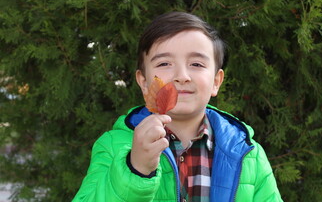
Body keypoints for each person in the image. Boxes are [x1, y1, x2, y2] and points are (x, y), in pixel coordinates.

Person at [72, 12, 283, 202]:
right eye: (164, 64)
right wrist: (135, 170)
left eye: (197, 64)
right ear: (144, 82)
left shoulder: (249, 155)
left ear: (216, 82)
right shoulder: (113, 146)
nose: (182, 76)